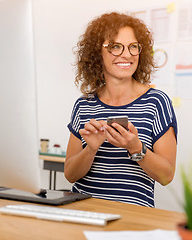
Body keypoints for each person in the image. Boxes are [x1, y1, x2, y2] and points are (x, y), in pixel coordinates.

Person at [65, 12, 177, 207]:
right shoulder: (84, 105)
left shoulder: (157, 102)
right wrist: (91, 149)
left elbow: (166, 176)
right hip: (83, 212)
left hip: (133, 218)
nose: (126, 55)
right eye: (115, 47)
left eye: (133, 47)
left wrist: (135, 147)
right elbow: (70, 175)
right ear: (96, 53)